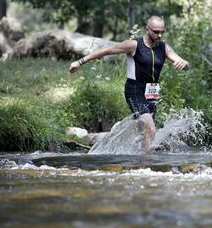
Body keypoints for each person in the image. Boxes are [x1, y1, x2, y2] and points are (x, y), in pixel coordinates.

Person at [69, 15, 189, 152]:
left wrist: (184, 64)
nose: (160, 35)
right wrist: (80, 62)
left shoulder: (164, 48)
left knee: (144, 133)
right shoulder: (134, 45)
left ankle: (132, 155)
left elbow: (185, 64)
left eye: (162, 31)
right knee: (150, 128)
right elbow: (106, 50)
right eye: (156, 32)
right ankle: (146, 163)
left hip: (152, 93)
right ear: (147, 29)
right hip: (135, 91)